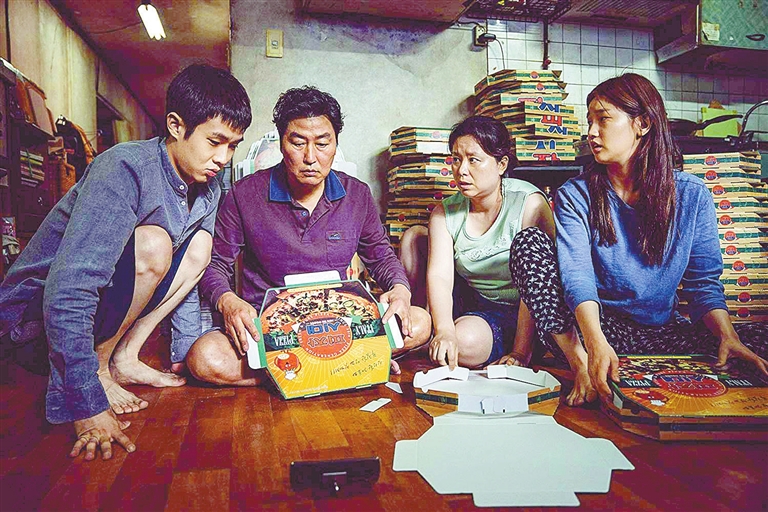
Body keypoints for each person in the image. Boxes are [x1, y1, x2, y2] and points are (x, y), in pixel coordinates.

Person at [0, 63, 252, 461]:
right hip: (32, 326)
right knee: (154, 242)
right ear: (175, 125)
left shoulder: (208, 186)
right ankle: (100, 369)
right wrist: (85, 401)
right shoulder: (124, 167)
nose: (223, 157)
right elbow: (69, 289)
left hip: (98, 315)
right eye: (214, 141)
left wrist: (185, 355)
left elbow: (191, 275)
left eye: (233, 145)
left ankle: (124, 358)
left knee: (201, 245)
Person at [533, 73, 767, 400]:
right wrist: (595, 344)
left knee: (759, 339)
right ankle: (585, 365)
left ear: (642, 124)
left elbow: (703, 283)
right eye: (590, 121)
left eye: (603, 119)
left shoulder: (691, 195)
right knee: (529, 245)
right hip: (595, 332)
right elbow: (577, 277)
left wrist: (728, 336)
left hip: (661, 334)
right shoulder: (576, 195)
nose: (591, 132)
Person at [186, 86, 431, 384]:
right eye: (298, 143)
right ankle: (349, 365)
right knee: (205, 357)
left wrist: (401, 290)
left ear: (335, 144)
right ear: (282, 143)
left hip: (340, 323)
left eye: (323, 144)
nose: (310, 157)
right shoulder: (244, 194)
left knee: (420, 321)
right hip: (273, 329)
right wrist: (227, 301)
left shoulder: (357, 195)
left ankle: (294, 371)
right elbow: (215, 264)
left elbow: (381, 257)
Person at [421, 115, 595, 406]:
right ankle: (428, 332)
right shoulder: (445, 212)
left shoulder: (529, 202)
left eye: (473, 160)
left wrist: (520, 352)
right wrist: (444, 331)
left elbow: (540, 280)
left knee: (467, 344)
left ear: (501, 164)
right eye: (456, 159)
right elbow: (439, 275)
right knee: (457, 342)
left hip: (534, 311)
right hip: (482, 306)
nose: (461, 170)